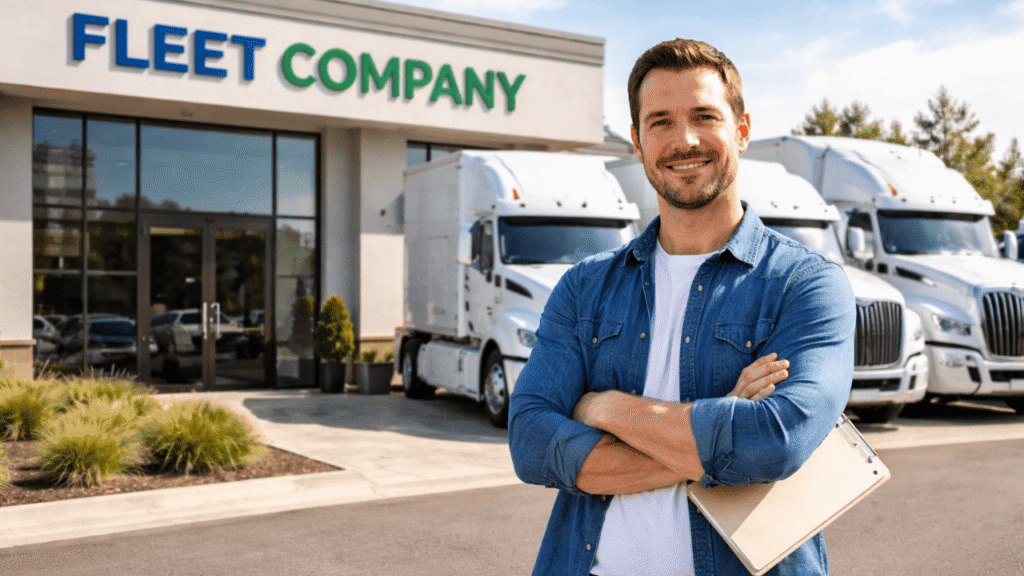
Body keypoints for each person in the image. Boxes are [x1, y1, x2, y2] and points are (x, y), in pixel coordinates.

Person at [508, 38, 856, 576]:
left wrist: (603, 409)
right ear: (637, 141)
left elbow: (774, 441)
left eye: (704, 116)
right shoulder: (583, 288)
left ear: (741, 129)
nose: (684, 140)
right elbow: (531, 442)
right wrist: (718, 434)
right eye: (661, 122)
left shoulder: (806, 285)